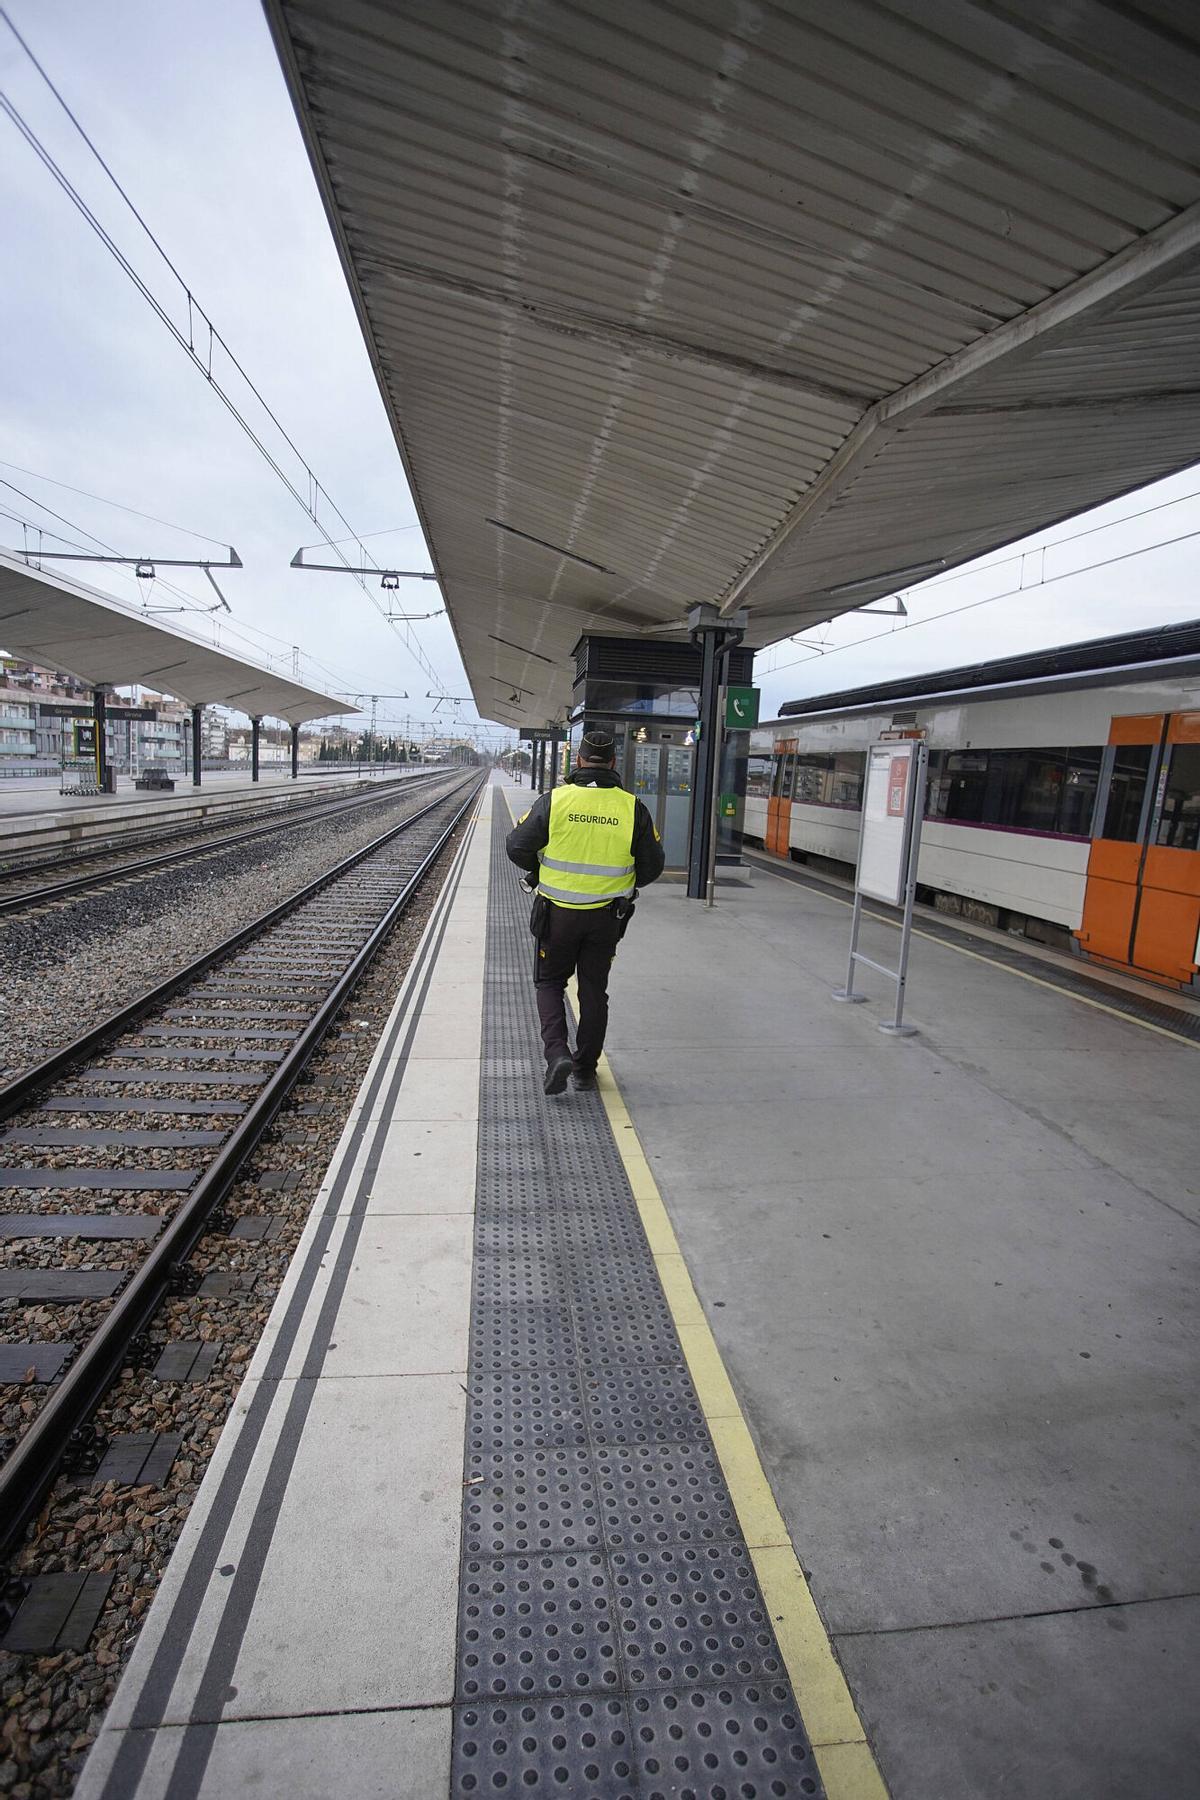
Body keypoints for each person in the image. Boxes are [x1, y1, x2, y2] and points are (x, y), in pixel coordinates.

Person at [506, 726, 664, 1094]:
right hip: (607, 917)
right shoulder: (632, 808)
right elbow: (653, 865)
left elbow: (516, 846)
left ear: (578, 760)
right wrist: (623, 885)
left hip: (557, 915)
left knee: (549, 982)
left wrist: (540, 870)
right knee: (594, 991)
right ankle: (585, 1069)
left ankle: (557, 1053)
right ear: (612, 762)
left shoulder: (556, 800)